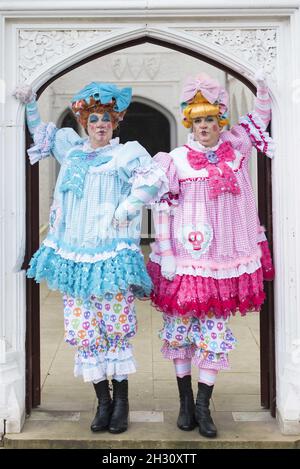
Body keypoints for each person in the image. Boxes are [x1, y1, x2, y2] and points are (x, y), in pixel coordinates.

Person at [14, 82, 167, 434]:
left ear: (116, 122)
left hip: (111, 255)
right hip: (73, 255)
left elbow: (154, 179)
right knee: (85, 330)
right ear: (85, 121)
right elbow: (40, 132)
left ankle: (122, 402)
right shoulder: (71, 150)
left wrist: (130, 205)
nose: (100, 125)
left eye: (107, 119)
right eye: (95, 118)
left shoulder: (127, 154)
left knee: (115, 328)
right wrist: (32, 104)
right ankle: (103, 402)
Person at [147, 71, 275, 438]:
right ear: (190, 121)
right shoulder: (174, 160)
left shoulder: (235, 149)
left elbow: (260, 119)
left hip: (223, 260)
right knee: (181, 332)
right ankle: (185, 403)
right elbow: (161, 208)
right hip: (185, 261)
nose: (204, 126)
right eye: (198, 119)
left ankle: (204, 407)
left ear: (221, 120)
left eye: (211, 119)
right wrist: (167, 252)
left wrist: (262, 89)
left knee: (214, 333)